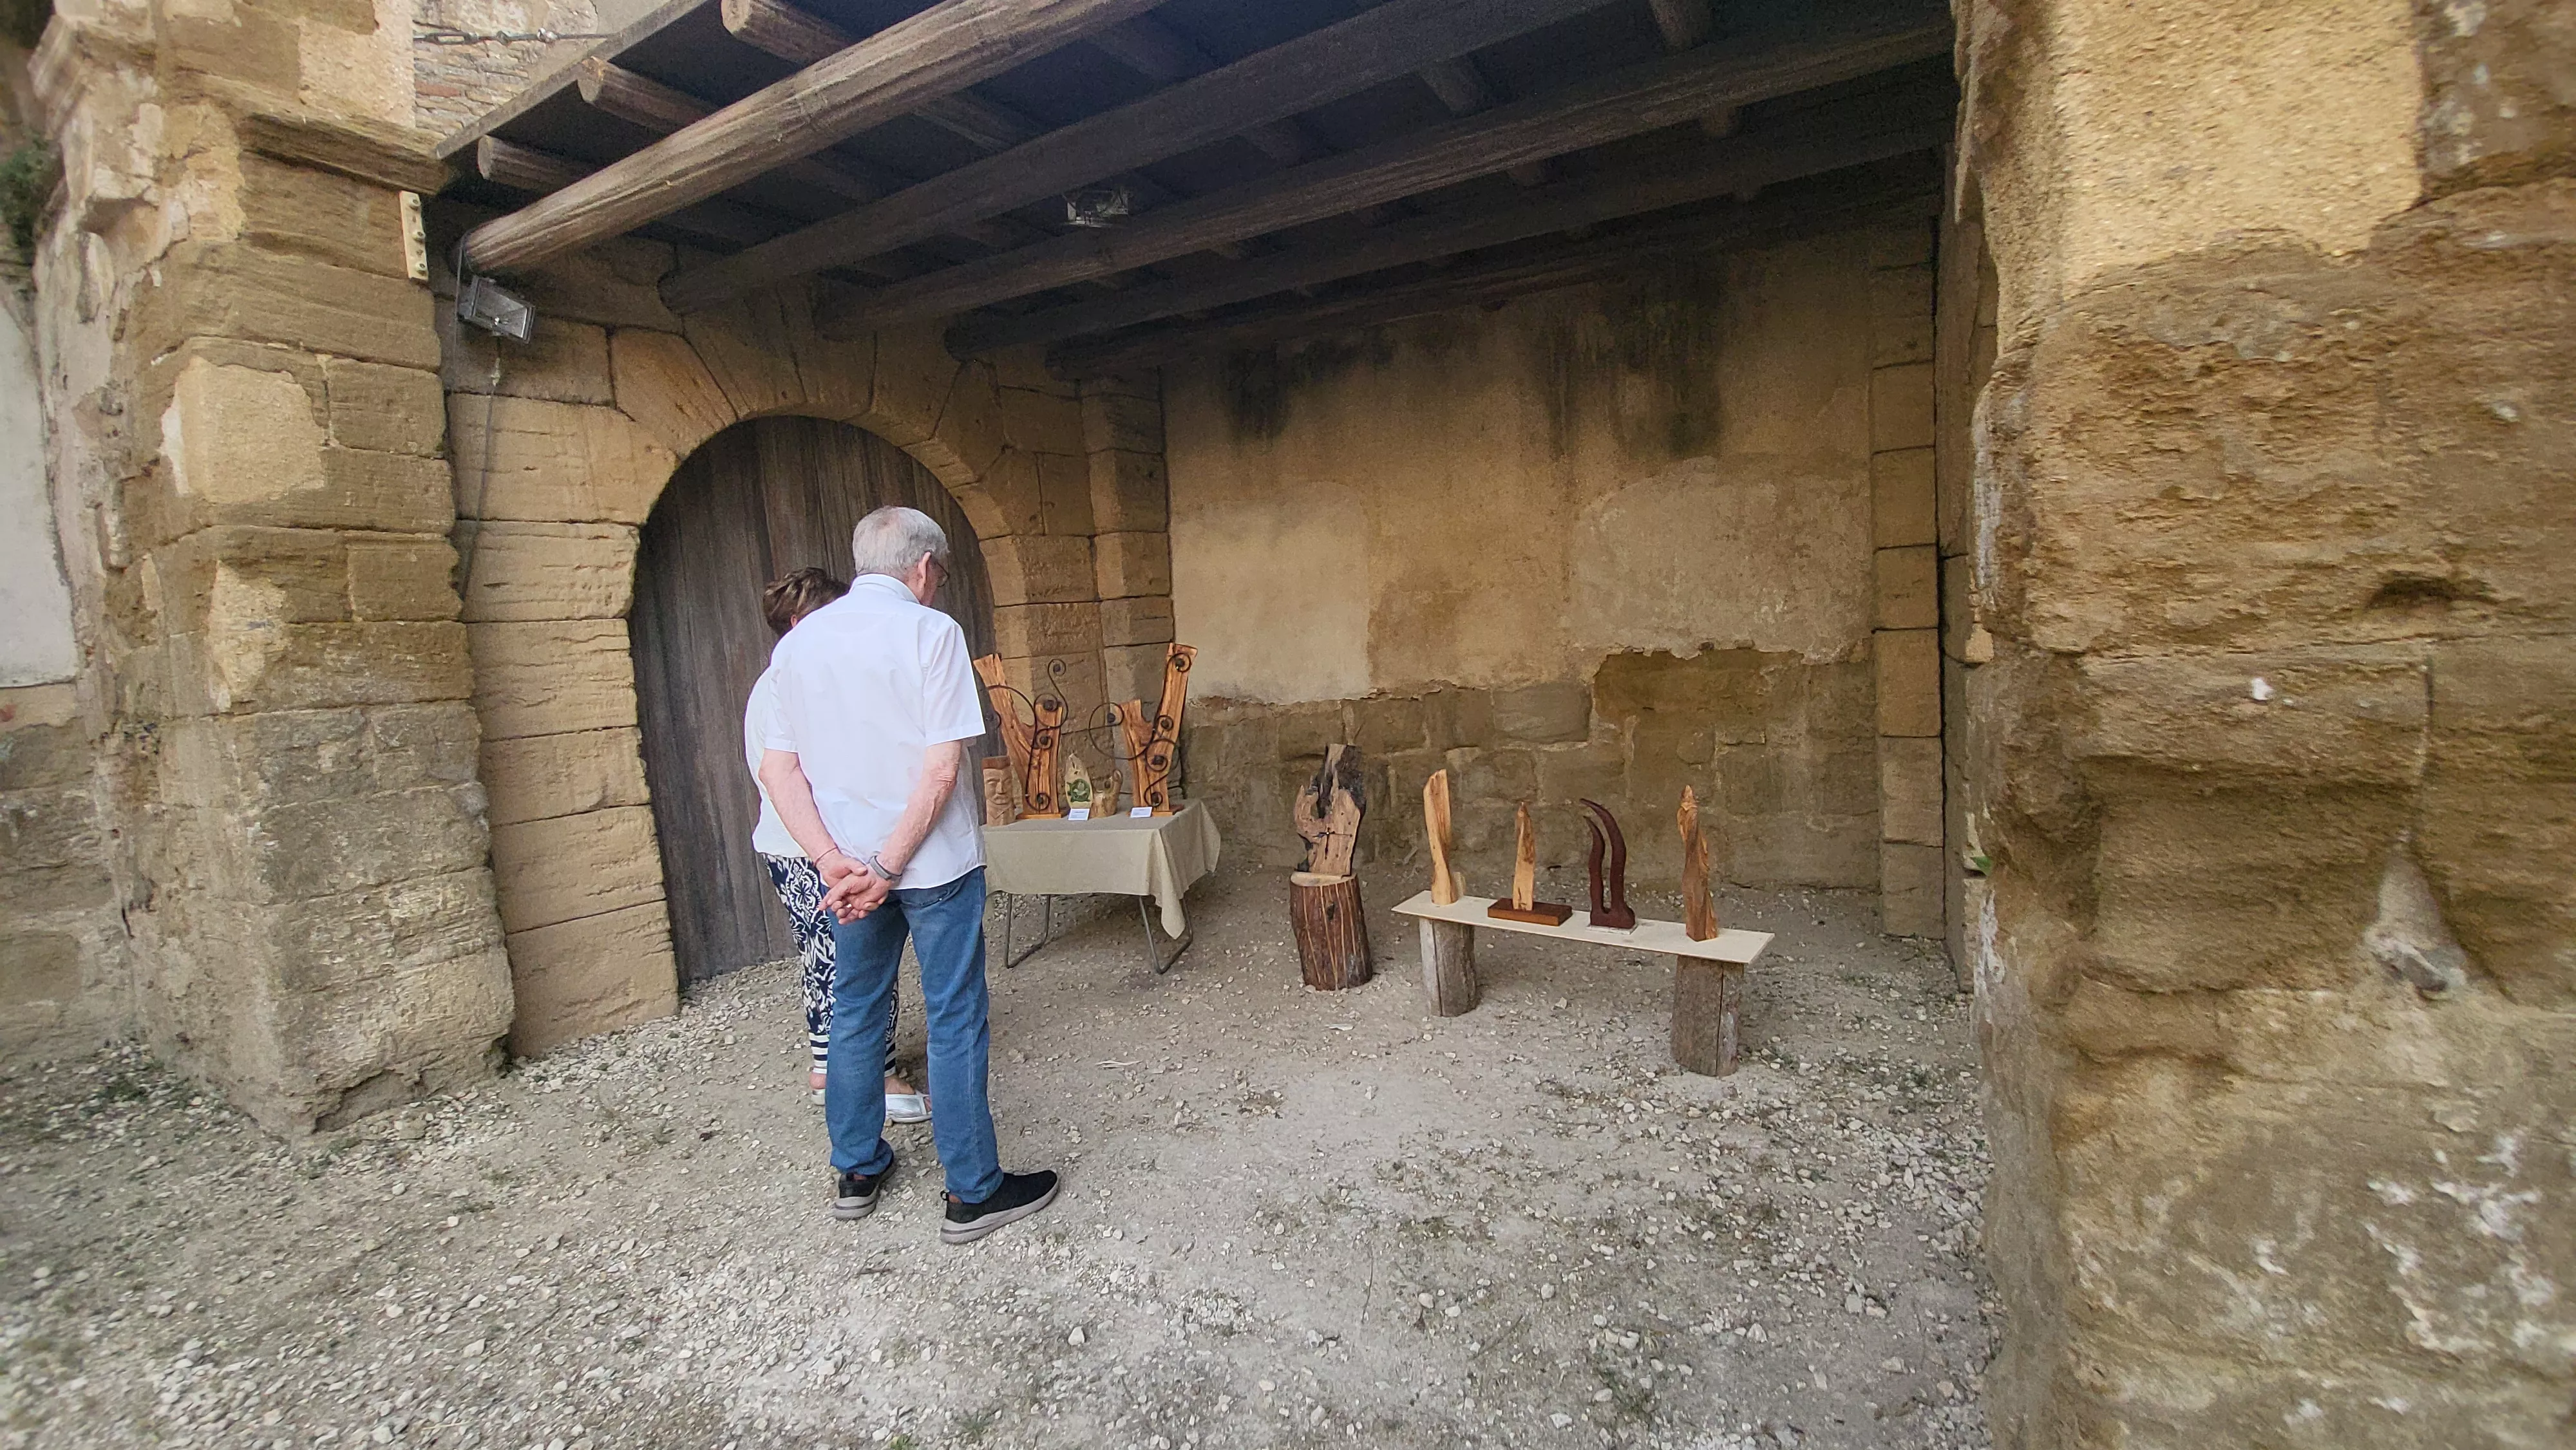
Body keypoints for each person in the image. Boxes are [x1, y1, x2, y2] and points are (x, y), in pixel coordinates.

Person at [755, 506, 1059, 1245]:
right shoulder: (932, 632)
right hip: (932, 867)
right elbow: (940, 766)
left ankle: (856, 1168)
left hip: (849, 871)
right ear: (924, 567)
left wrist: (837, 862)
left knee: (855, 1008)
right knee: (954, 1013)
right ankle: (973, 1190)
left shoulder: (800, 646)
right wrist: (891, 864)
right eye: (942, 572)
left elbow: (776, 769)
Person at [744, 567, 928, 1122]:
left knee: (831, 959)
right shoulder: (786, 680)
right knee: (850, 964)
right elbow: (786, 774)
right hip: (813, 847)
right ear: (800, 623)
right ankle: (865, 1075)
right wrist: (835, 852)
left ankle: (841, 1068)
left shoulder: (798, 674)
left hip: (808, 845)